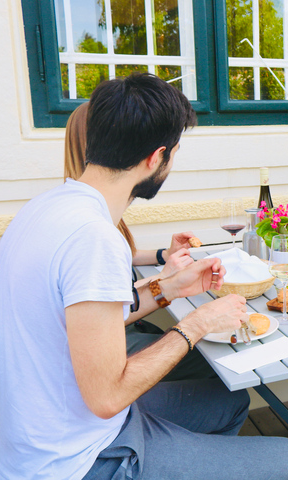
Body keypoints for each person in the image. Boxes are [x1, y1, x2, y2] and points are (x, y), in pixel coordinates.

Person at [0, 73, 288, 480]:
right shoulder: (95, 238)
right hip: (80, 460)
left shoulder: (45, 208)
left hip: (44, 433)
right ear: (156, 157)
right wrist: (197, 324)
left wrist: (171, 287)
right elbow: (107, 396)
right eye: (174, 153)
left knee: (227, 401)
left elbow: (86, 322)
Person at [64, 101, 214, 381]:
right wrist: (164, 282)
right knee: (211, 361)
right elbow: (111, 308)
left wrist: (163, 255)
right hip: (110, 344)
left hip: (114, 333)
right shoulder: (91, 228)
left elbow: (124, 260)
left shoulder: (81, 204)